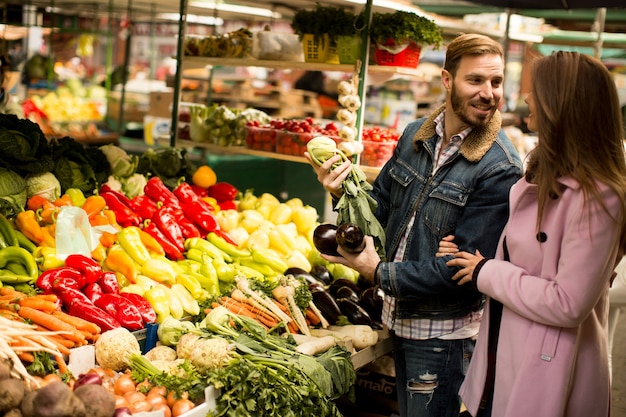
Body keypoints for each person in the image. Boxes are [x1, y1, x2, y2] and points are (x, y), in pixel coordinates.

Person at [305, 33, 523, 417]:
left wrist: (377, 271)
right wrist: (343, 192)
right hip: (396, 318)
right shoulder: (415, 136)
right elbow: (382, 210)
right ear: (447, 79)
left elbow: (462, 272)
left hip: (443, 335)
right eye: (475, 80)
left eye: (496, 81)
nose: (489, 93)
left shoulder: (500, 167)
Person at [437, 51, 626, 417]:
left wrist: (485, 272)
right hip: (506, 347)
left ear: (561, 104)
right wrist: (470, 250)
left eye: (535, 90)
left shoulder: (598, 197)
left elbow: (567, 301)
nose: (525, 98)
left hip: (549, 365)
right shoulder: (544, 173)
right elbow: (527, 256)